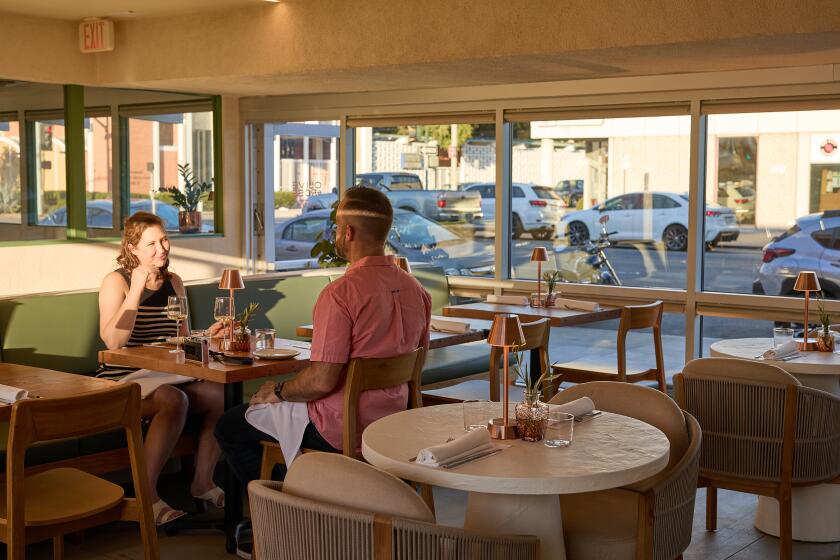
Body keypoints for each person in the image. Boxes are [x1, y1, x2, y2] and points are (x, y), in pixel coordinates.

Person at [215, 186, 431, 558]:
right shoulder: (417, 291)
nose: (335, 234)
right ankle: (308, 505)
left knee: (230, 426)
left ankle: (286, 521)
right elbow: (418, 363)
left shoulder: (340, 294)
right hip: (393, 426)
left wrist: (278, 392)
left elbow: (321, 381)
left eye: (336, 228)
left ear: (347, 233)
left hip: (340, 430)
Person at [98, 211, 225, 525]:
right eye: (151, 243)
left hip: (166, 372)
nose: (162, 248)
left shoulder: (174, 282)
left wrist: (206, 336)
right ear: (132, 249)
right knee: (173, 399)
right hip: (123, 376)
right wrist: (137, 290)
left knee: (223, 395)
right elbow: (113, 342)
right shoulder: (117, 281)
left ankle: (202, 482)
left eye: (164, 239)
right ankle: (147, 495)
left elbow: (181, 338)